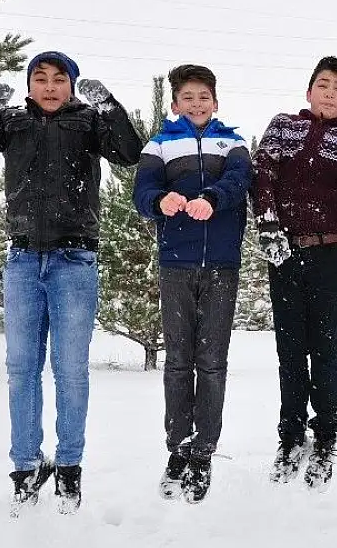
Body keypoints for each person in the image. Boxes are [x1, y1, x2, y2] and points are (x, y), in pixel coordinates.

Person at [0, 51, 143, 515]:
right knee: (21, 371)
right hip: (23, 259)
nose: (50, 87)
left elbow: (130, 154)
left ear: (71, 85)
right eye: (40, 78)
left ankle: (69, 468)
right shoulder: (11, 122)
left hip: (75, 259)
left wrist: (108, 104)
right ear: (28, 85)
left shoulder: (88, 122)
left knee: (71, 371)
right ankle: (27, 467)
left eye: (59, 80)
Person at [253, 56, 337, 490]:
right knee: (289, 349)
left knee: (324, 347)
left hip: (330, 253)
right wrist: (269, 224)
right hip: (284, 252)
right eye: (323, 85)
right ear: (309, 90)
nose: (330, 93)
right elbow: (263, 175)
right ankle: (290, 434)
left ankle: (326, 432)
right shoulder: (282, 127)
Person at [132, 64, 252, 504]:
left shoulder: (233, 143)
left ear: (215, 102)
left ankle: (203, 453)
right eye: (188, 97)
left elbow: (240, 182)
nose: (197, 103)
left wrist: (212, 199)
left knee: (213, 363)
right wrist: (160, 201)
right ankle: (177, 450)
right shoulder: (160, 145)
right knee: (178, 361)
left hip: (222, 266)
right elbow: (141, 191)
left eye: (204, 96)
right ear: (175, 103)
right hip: (175, 266)